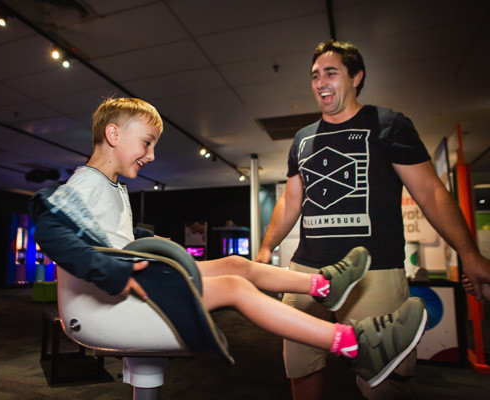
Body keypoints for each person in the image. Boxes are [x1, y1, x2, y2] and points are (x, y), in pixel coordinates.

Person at [29, 97, 427, 389]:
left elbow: (104, 236)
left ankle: (322, 285)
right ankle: (355, 345)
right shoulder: (85, 183)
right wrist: (111, 268)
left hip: (127, 289)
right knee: (236, 287)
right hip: (105, 305)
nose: (151, 155)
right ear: (113, 134)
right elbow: (48, 226)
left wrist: (142, 239)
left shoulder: (110, 187)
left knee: (236, 266)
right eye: (147, 142)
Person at [256, 39, 490, 400]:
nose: (320, 82)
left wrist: (470, 254)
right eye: (315, 75)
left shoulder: (388, 124)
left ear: (356, 77)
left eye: (331, 73)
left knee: (386, 378)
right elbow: (290, 200)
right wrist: (267, 246)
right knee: (301, 365)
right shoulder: (302, 139)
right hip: (307, 272)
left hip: (374, 272)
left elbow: (430, 193)